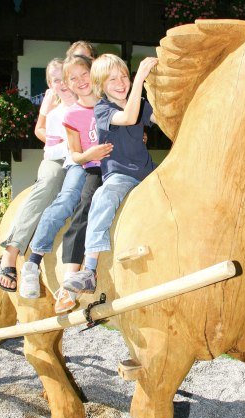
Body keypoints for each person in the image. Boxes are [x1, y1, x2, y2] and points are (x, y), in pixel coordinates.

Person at [62, 54, 158, 295]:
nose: (121, 82)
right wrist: (139, 82)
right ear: (100, 86)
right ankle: (89, 268)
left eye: (124, 76)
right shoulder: (103, 108)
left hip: (147, 172)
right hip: (121, 175)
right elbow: (127, 118)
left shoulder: (141, 104)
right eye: (112, 79)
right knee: (103, 197)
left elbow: (162, 119)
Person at [19, 54, 112, 300]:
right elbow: (64, 150)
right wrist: (84, 152)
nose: (79, 81)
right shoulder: (64, 112)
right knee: (70, 198)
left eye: (84, 75)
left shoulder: (107, 101)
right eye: (69, 79)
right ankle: (34, 260)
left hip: (109, 164)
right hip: (80, 164)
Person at [0, 58, 77, 292]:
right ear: (50, 85)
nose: (60, 83)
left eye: (64, 77)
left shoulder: (85, 99)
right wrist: (65, 143)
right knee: (49, 182)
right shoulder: (52, 106)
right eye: (54, 80)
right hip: (57, 157)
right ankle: (10, 255)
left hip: (81, 156)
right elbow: (40, 131)